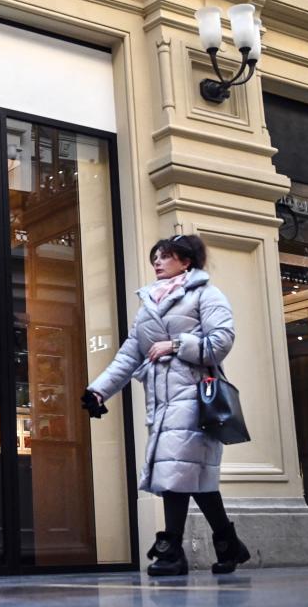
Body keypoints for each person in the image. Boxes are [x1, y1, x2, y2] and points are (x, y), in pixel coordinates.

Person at [83, 234, 250, 576]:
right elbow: (129, 354)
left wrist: (175, 344)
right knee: (191, 476)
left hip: (194, 400)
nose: (157, 262)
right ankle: (228, 544)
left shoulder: (207, 294)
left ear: (185, 261)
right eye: (155, 257)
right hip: (161, 403)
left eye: (165, 256)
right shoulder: (148, 306)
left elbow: (222, 340)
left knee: (176, 474)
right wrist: (99, 390)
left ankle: (171, 552)